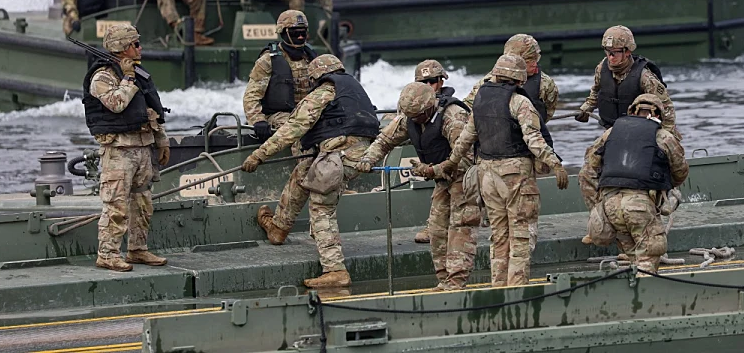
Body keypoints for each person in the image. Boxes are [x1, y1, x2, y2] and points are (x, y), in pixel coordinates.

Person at [241, 54, 379, 288]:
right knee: (303, 172)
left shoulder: (322, 93)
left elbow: (292, 129)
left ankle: (335, 269)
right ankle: (279, 227)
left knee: (321, 208)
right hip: (360, 153)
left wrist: (258, 155)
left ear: (317, 76)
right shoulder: (354, 90)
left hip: (338, 156)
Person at [429, 54, 568, 287]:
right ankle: (516, 289)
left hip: (487, 176)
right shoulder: (519, 102)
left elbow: (465, 139)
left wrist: (450, 162)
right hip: (515, 177)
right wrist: (555, 164)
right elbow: (534, 140)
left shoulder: (481, 99)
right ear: (518, 78)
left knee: (499, 235)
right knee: (521, 235)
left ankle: (499, 286)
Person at [357, 81, 478, 290]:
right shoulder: (410, 117)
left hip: (464, 179)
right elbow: (385, 140)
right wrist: (368, 159)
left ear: (429, 107)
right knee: (437, 229)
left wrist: (433, 170)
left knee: (460, 228)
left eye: (418, 116)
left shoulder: (452, 117)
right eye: (411, 117)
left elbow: (467, 158)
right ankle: (444, 279)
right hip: (443, 180)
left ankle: (457, 281)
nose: (415, 120)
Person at [83, 24, 170, 272]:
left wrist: (161, 138)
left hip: (142, 146)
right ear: (122, 48)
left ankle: (137, 249)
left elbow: (150, 111)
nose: (140, 48)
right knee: (116, 205)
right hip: (118, 150)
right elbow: (116, 103)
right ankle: (108, 254)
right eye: (135, 44)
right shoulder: (103, 77)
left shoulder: (137, 73)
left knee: (142, 203)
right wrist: (129, 78)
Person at [580, 94, 689, 273]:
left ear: (632, 110)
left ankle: (630, 295)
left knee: (632, 257)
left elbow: (588, 169)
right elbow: (680, 170)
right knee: (649, 254)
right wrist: (666, 185)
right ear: (659, 114)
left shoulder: (611, 132)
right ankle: (644, 297)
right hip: (639, 206)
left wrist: (596, 205)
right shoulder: (663, 136)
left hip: (611, 206)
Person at [575, 26, 678, 208]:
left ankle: (661, 200)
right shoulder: (602, 68)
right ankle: (601, 216)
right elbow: (596, 91)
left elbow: (667, 108)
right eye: (607, 52)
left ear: (628, 51)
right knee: (587, 172)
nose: (610, 57)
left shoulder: (645, 77)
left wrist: (666, 139)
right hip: (613, 133)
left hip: (641, 135)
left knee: (646, 175)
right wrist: (586, 108)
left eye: (615, 52)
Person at [465, 34, 558, 155]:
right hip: (492, 145)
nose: (535, 64)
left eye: (537, 58)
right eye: (529, 60)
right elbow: (468, 110)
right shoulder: (487, 83)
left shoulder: (546, 84)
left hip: (529, 144)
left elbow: (548, 111)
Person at [242, 10, 317, 142]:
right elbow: (251, 96)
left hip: (307, 113)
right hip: (278, 115)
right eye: (295, 33)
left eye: (303, 32)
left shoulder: (312, 58)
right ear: (283, 32)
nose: (300, 37)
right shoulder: (268, 61)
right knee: (294, 128)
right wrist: (258, 120)